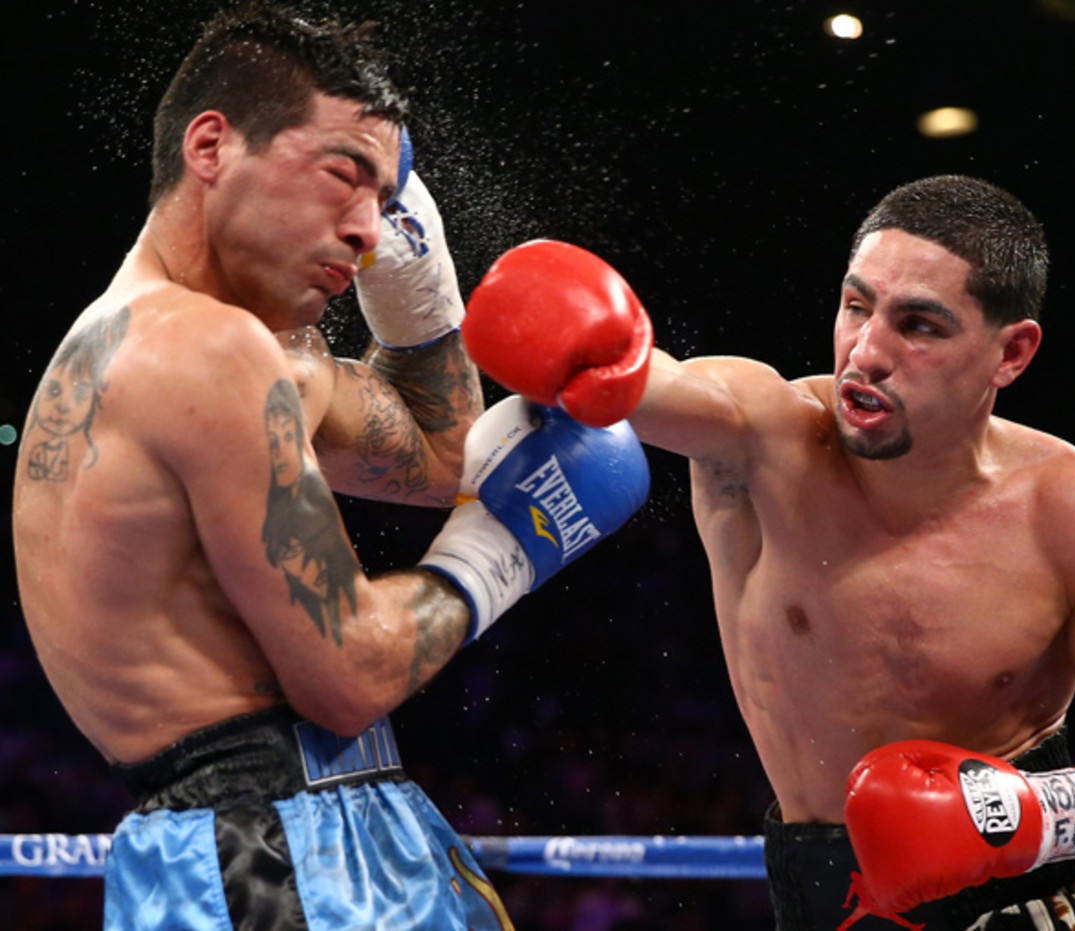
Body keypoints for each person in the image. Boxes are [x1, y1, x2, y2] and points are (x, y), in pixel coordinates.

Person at [11, 4, 649, 929]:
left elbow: (442, 458)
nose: (368, 231)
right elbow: (347, 677)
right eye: (343, 175)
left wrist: (416, 284)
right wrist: (503, 549)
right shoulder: (201, 351)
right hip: (269, 851)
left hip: (312, 828)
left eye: (386, 202)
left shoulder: (244, 350)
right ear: (210, 146)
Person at [459, 176, 1075, 930]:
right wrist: (576, 345)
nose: (867, 352)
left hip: (1033, 903)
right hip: (819, 901)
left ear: (1011, 352)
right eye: (856, 305)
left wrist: (1023, 815)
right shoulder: (759, 441)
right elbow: (651, 383)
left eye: (919, 325)